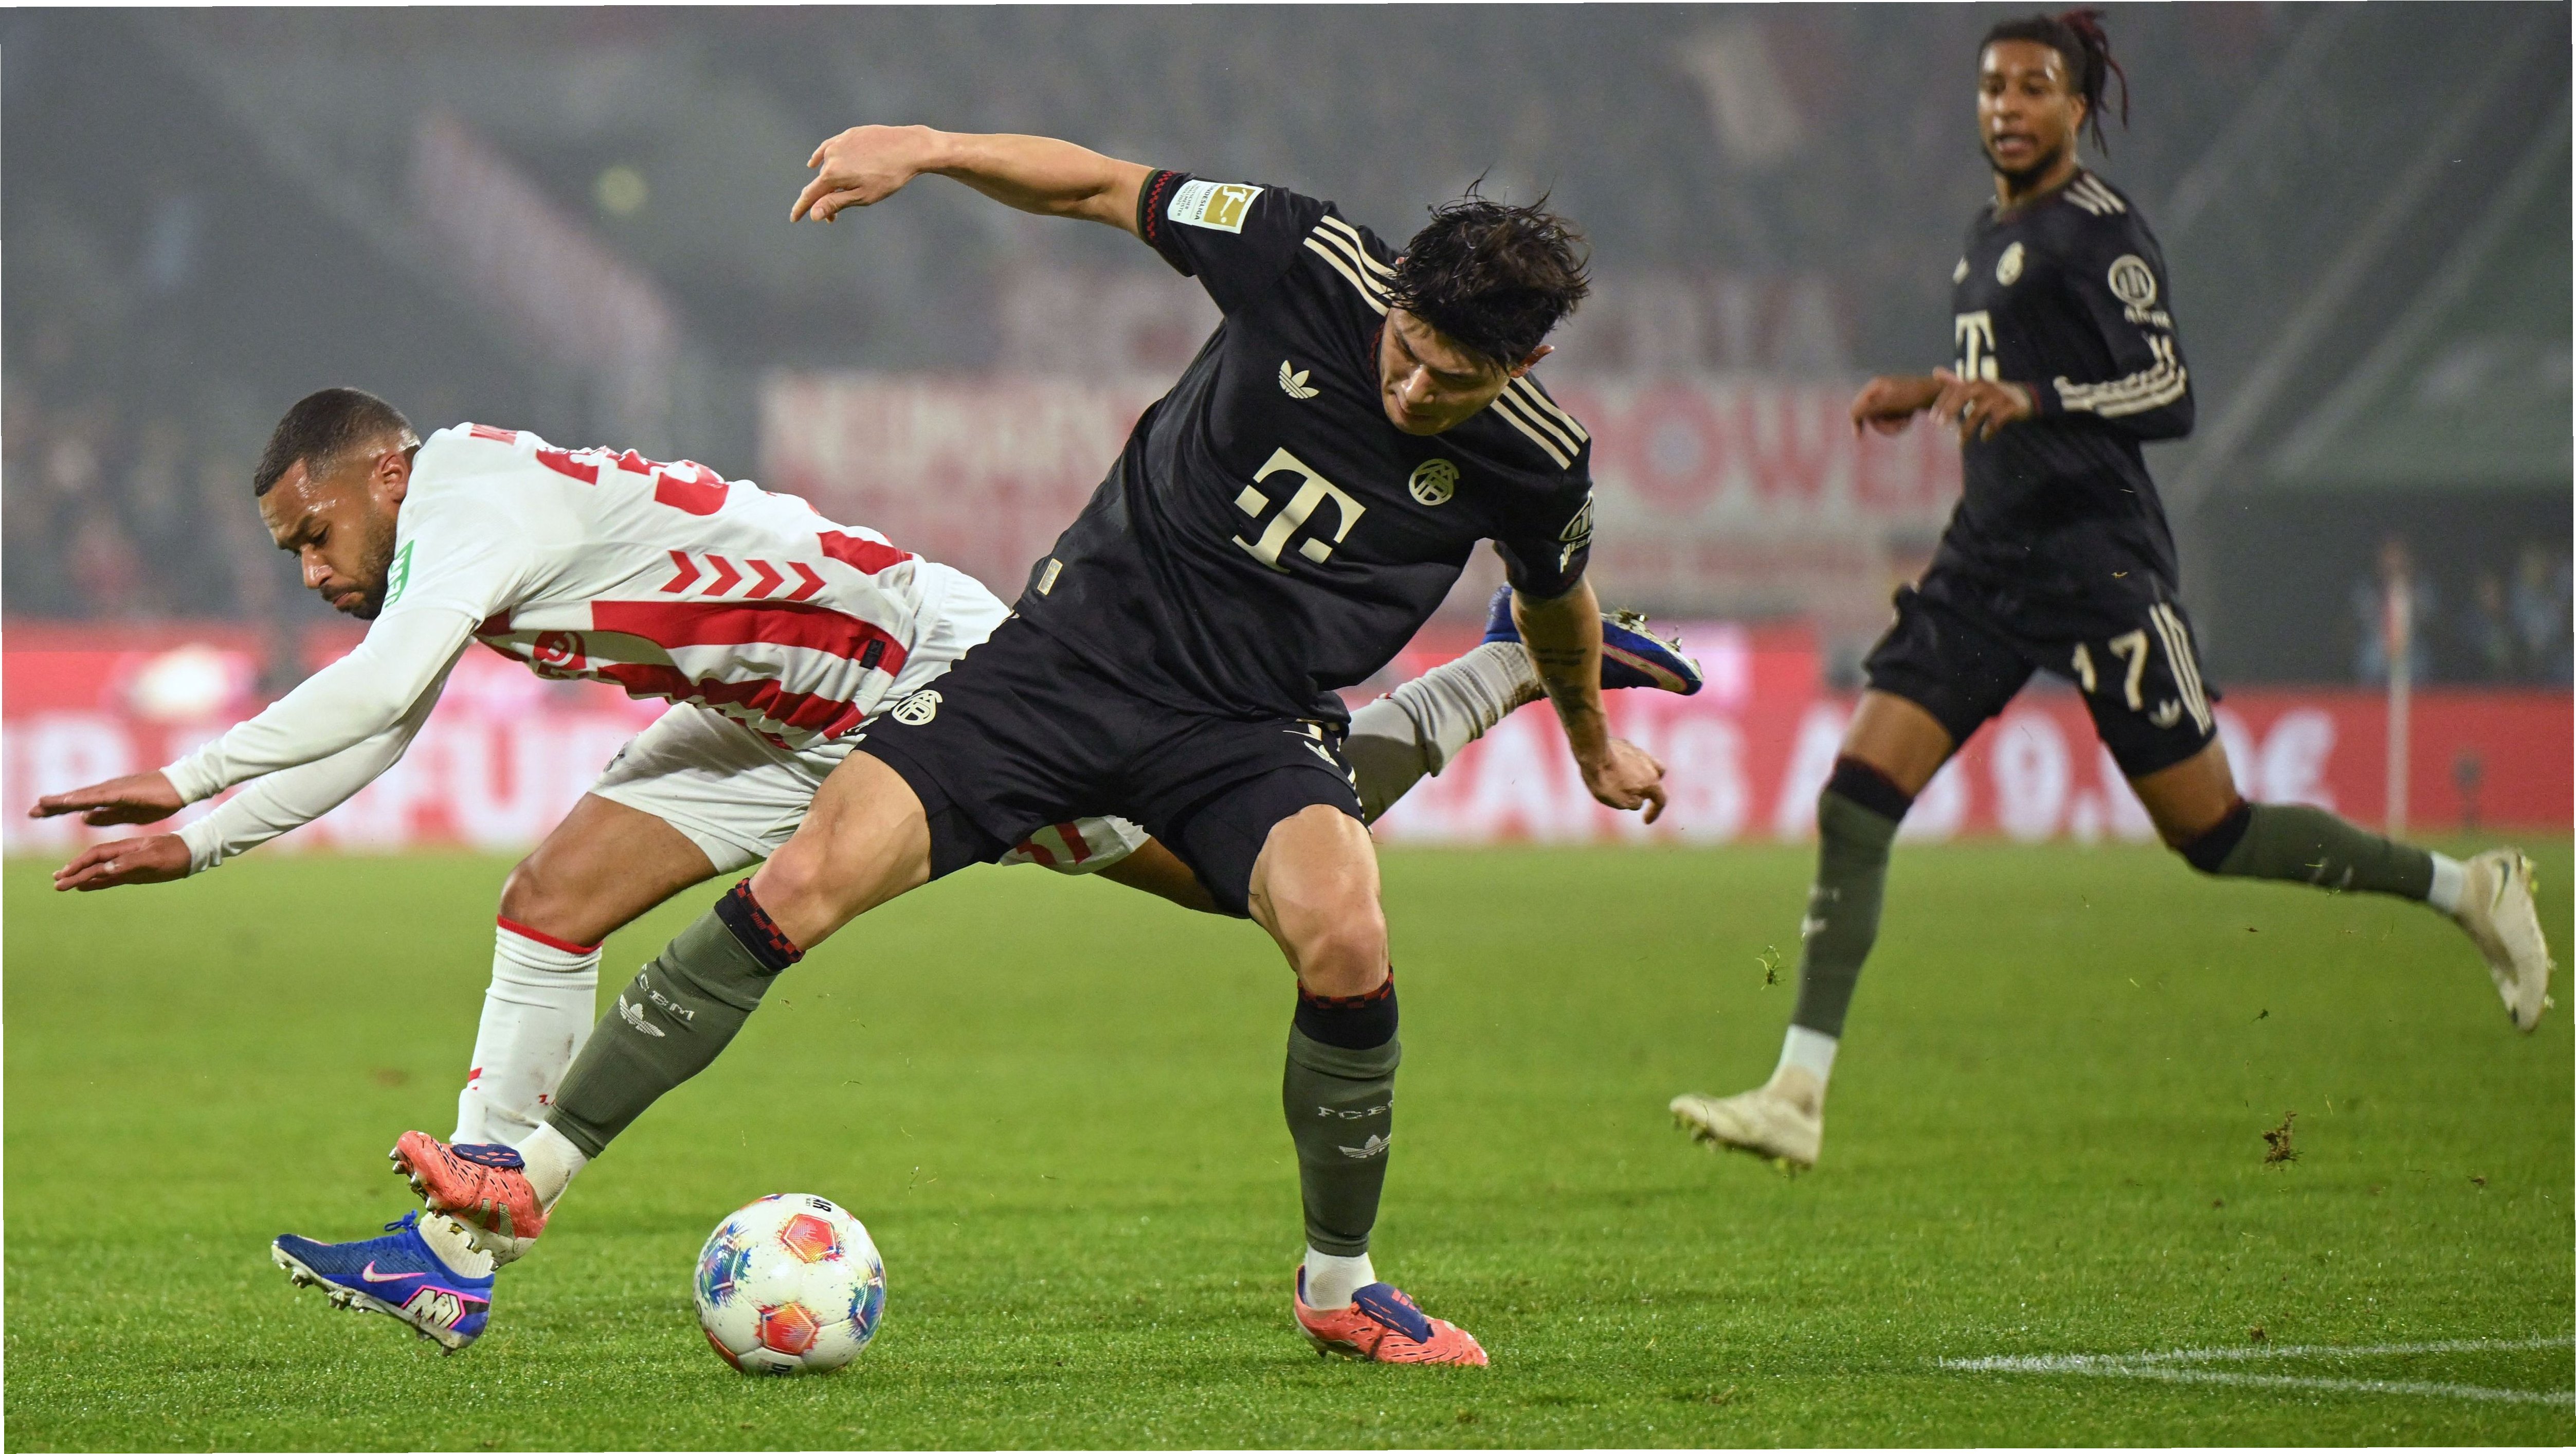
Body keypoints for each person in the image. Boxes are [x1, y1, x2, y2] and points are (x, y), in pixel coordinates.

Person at [35, 384, 1692, 1349]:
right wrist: (202, 839)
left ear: (381, 471)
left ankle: (1496, 670)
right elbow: (392, 719)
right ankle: (451, 1263)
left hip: (921, 669)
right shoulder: (450, 519)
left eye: (313, 533)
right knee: (548, 901)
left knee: (1216, 874)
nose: (310, 568)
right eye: (291, 554)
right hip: (769, 715)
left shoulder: (464, 502)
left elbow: (378, 691)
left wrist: (191, 771)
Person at [381, 126, 1668, 1367]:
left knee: (1347, 931)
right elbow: (1101, 187)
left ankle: (1340, 1286)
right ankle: (531, 1173)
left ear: (1529, 359)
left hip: (1245, 727)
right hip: (1057, 667)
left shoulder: (1539, 462)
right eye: (1408, 352)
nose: (1415, 389)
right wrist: (930, 148)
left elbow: (1559, 604)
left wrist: (1595, 744)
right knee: (808, 876)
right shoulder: (1306, 254)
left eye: (1456, 380)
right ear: (1396, 299)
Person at [1668, 10, 2554, 1172]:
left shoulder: (2101, 232)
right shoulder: (1986, 234)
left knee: (2214, 833)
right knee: (1855, 798)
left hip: (2098, 567)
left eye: (2032, 88)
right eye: (1993, 87)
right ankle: (1798, 1092)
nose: (2006, 107)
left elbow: (2168, 389)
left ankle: (2465, 887)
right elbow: (2012, 376)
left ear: (2077, 108)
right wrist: (1933, 389)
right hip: (1986, 565)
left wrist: (2039, 401)